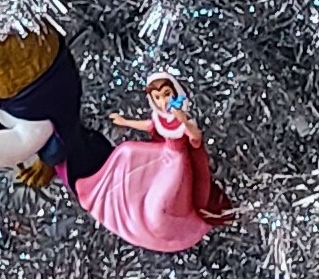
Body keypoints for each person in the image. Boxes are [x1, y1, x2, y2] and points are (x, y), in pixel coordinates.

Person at [73, 70, 228, 251]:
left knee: (157, 209)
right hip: (162, 154)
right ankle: (106, 195)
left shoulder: (181, 121)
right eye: (157, 97)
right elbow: (149, 125)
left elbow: (196, 138)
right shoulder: (161, 119)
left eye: (167, 95)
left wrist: (184, 122)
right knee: (126, 152)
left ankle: (164, 225)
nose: (163, 102)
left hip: (177, 164)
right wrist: (125, 122)